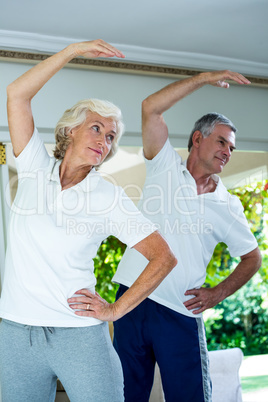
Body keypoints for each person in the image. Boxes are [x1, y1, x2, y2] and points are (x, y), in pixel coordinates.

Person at [0, 39, 177, 402]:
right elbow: (17, 94)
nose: (105, 140)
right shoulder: (34, 166)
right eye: (97, 128)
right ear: (70, 130)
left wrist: (115, 310)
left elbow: (164, 257)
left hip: (79, 335)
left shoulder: (108, 196)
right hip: (16, 334)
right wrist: (71, 52)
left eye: (111, 136)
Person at [78, 70, 262, 401]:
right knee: (126, 394)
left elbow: (253, 257)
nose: (227, 152)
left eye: (232, 148)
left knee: (190, 396)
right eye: (221, 141)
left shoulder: (229, 205)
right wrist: (204, 78)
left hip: (179, 310)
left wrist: (217, 293)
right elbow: (151, 107)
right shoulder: (164, 164)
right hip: (131, 300)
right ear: (197, 139)